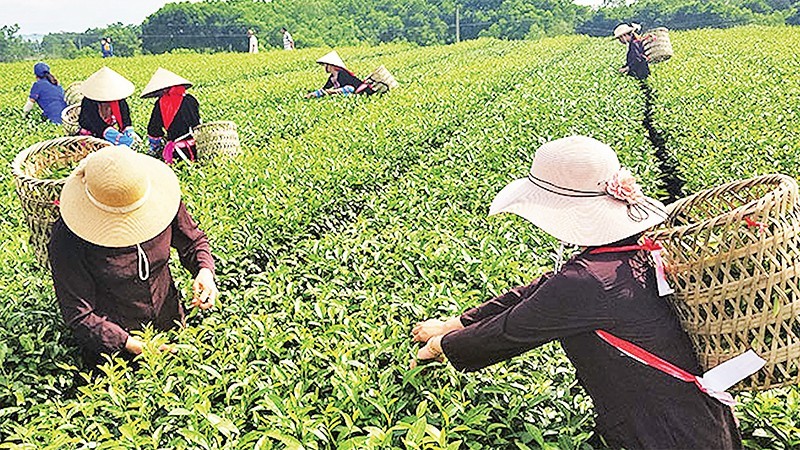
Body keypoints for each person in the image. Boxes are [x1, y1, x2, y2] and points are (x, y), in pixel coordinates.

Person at [411, 136, 742, 449]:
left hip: (665, 433)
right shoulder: (628, 252)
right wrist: (457, 322)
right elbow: (542, 290)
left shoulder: (588, 281)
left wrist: (442, 346)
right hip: (702, 420)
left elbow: (511, 331)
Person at [48, 145, 219, 367]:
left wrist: (204, 272)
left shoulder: (160, 198)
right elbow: (79, 314)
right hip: (117, 354)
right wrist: (133, 345)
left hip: (172, 323)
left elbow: (193, 241)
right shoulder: (68, 237)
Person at [141, 68, 200, 162]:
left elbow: (154, 128)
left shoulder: (161, 103)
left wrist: (156, 144)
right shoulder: (191, 99)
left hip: (175, 150)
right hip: (195, 147)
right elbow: (196, 122)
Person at [78, 66, 140, 147]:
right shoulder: (88, 102)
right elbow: (97, 124)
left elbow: (125, 119)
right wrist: (118, 138)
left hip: (111, 132)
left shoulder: (119, 100)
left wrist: (129, 131)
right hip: (91, 135)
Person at [306, 51, 373, 98]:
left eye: (326, 65)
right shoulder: (332, 77)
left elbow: (351, 88)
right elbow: (325, 89)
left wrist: (333, 91)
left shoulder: (343, 74)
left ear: (331, 65)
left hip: (357, 92)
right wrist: (312, 94)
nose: (325, 67)